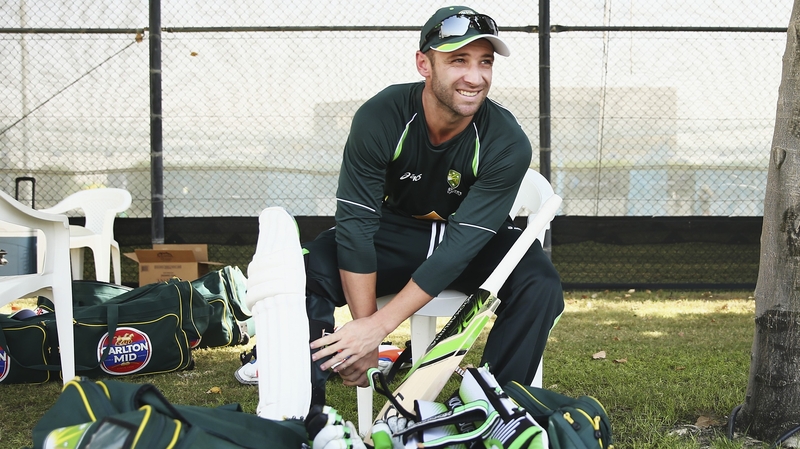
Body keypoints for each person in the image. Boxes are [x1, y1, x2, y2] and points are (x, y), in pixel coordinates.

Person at [303, 5, 564, 407]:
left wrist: (378, 328)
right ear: (424, 63)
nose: (475, 77)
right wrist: (363, 335)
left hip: (475, 239)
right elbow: (357, 225)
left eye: (485, 62)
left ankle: (494, 407)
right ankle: (307, 408)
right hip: (397, 230)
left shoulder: (507, 140)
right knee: (308, 266)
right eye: (458, 60)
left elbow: (459, 247)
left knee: (539, 282)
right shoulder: (381, 116)